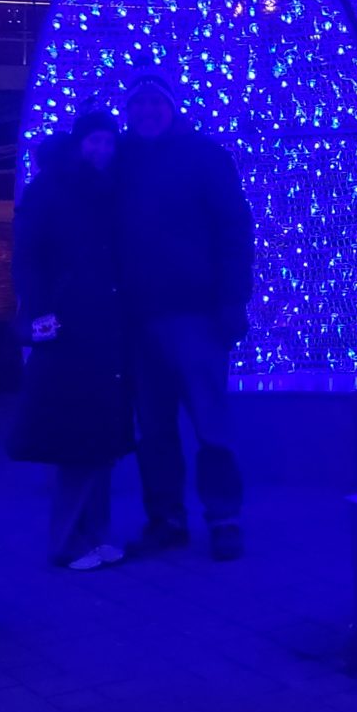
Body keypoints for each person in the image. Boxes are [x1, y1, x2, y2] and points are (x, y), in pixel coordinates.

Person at [116, 72, 255, 561]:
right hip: (138, 318)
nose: (147, 112)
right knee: (152, 428)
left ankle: (224, 518)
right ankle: (167, 518)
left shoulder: (205, 157)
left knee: (210, 421)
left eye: (155, 103)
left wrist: (232, 300)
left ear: (171, 108)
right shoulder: (121, 161)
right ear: (128, 112)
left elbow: (235, 230)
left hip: (197, 315)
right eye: (138, 105)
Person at [7, 113, 133, 571]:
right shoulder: (53, 189)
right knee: (77, 434)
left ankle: (95, 534)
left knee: (99, 434)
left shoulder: (103, 189)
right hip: (69, 327)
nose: (102, 150)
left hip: (104, 325)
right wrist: (41, 319)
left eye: (108, 142)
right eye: (94, 142)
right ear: (79, 144)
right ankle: (66, 541)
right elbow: (28, 260)